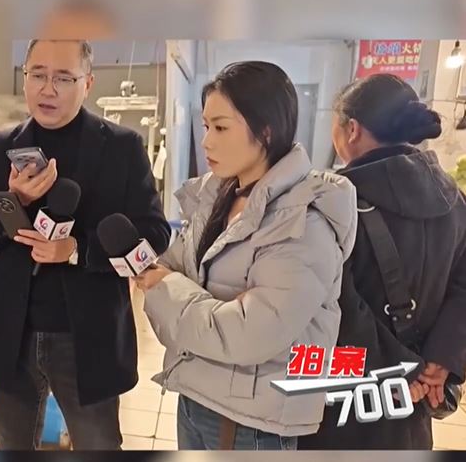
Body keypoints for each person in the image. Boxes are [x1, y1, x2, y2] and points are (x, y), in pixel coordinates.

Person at [134, 61, 358, 450]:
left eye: (221, 128)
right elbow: (173, 265)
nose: (206, 142)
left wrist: (168, 289)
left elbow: (250, 334)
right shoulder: (217, 196)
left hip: (252, 421)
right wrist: (177, 285)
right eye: (206, 126)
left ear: (266, 130)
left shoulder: (303, 223)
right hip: (197, 393)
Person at [0, 39, 172, 450]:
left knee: (98, 445)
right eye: (37, 75)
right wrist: (16, 199)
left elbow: (155, 234)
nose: (48, 89)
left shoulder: (122, 147)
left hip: (87, 335)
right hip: (13, 332)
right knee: (13, 443)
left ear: (88, 83)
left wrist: (76, 250)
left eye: (63, 78)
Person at [298, 74, 466, 450]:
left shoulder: (331, 203)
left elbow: (331, 299)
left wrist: (400, 368)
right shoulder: (454, 200)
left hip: (341, 401)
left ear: (352, 129)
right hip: (415, 406)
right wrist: (440, 360)